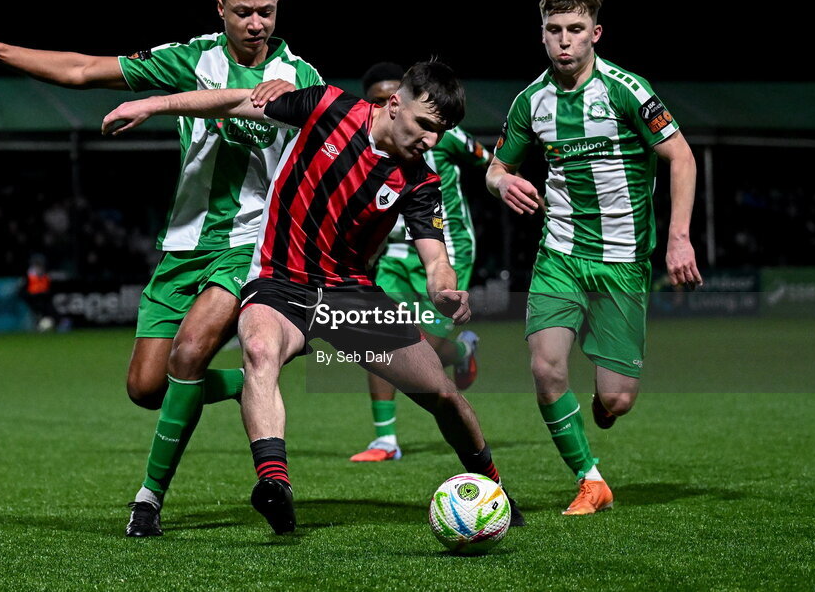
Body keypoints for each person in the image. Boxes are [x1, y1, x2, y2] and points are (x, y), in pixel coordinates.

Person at [0, 0, 323, 537]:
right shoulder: (192, 59)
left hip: (249, 244)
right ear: (220, 10)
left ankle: (148, 500)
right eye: (243, 12)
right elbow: (84, 70)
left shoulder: (302, 77)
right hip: (182, 246)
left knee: (189, 353)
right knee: (147, 386)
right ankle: (255, 379)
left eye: (266, 11)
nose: (256, 23)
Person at [103, 61, 525, 535]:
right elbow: (233, 99)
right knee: (259, 350)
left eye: (440, 131)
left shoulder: (420, 181)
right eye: (424, 124)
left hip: (350, 295)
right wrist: (153, 103)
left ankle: (493, 486)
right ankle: (275, 485)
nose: (430, 140)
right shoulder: (326, 105)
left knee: (443, 395)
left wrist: (444, 288)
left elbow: (435, 259)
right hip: (280, 281)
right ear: (394, 104)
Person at [486, 0, 702, 516]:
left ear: (595, 34)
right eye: (555, 31)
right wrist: (502, 183)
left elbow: (682, 157)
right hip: (559, 254)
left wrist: (678, 238)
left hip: (623, 260)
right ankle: (590, 479)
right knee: (544, 367)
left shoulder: (626, 90)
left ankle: (603, 406)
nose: (565, 42)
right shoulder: (529, 102)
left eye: (575, 30)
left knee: (617, 399)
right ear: (542, 35)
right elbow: (497, 168)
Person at [349, 62, 491, 463]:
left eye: (388, 97)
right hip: (394, 252)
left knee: (426, 345)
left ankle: (460, 352)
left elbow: (489, 161)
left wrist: (505, 179)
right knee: (375, 336)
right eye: (375, 100)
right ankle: (385, 440)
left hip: (447, 248)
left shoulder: (437, 133)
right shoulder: (362, 137)